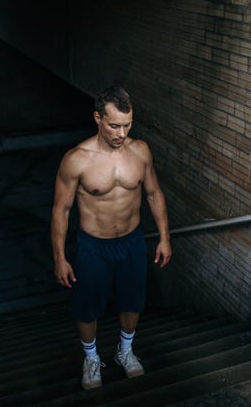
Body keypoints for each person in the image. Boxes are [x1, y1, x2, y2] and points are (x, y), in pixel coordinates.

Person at [51, 85, 172, 390]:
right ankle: (92, 358)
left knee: (132, 301)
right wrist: (60, 257)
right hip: (93, 246)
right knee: (86, 307)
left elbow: (154, 193)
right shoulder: (77, 159)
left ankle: (125, 351)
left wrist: (164, 237)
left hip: (131, 242)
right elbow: (61, 211)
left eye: (127, 125)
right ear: (97, 118)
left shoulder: (140, 151)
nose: (121, 133)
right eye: (114, 125)